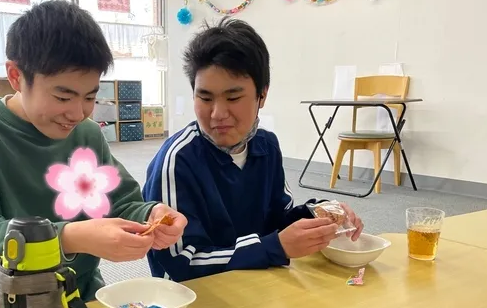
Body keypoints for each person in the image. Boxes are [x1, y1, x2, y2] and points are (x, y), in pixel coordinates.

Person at [0, 0, 186, 307]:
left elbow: (120, 201)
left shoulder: (86, 133)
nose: (77, 112)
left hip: (80, 293)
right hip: (5, 303)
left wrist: (151, 215)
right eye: (62, 96)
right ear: (16, 76)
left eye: (90, 97)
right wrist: (70, 237)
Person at [142, 18, 363, 282]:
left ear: (262, 95)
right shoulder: (177, 160)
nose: (218, 114)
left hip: (258, 283)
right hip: (200, 299)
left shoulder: (266, 146)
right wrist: (275, 247)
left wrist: (320, 212)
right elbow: (181, 262)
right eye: (205, 97)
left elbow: (278, 221)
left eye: (233, 98)